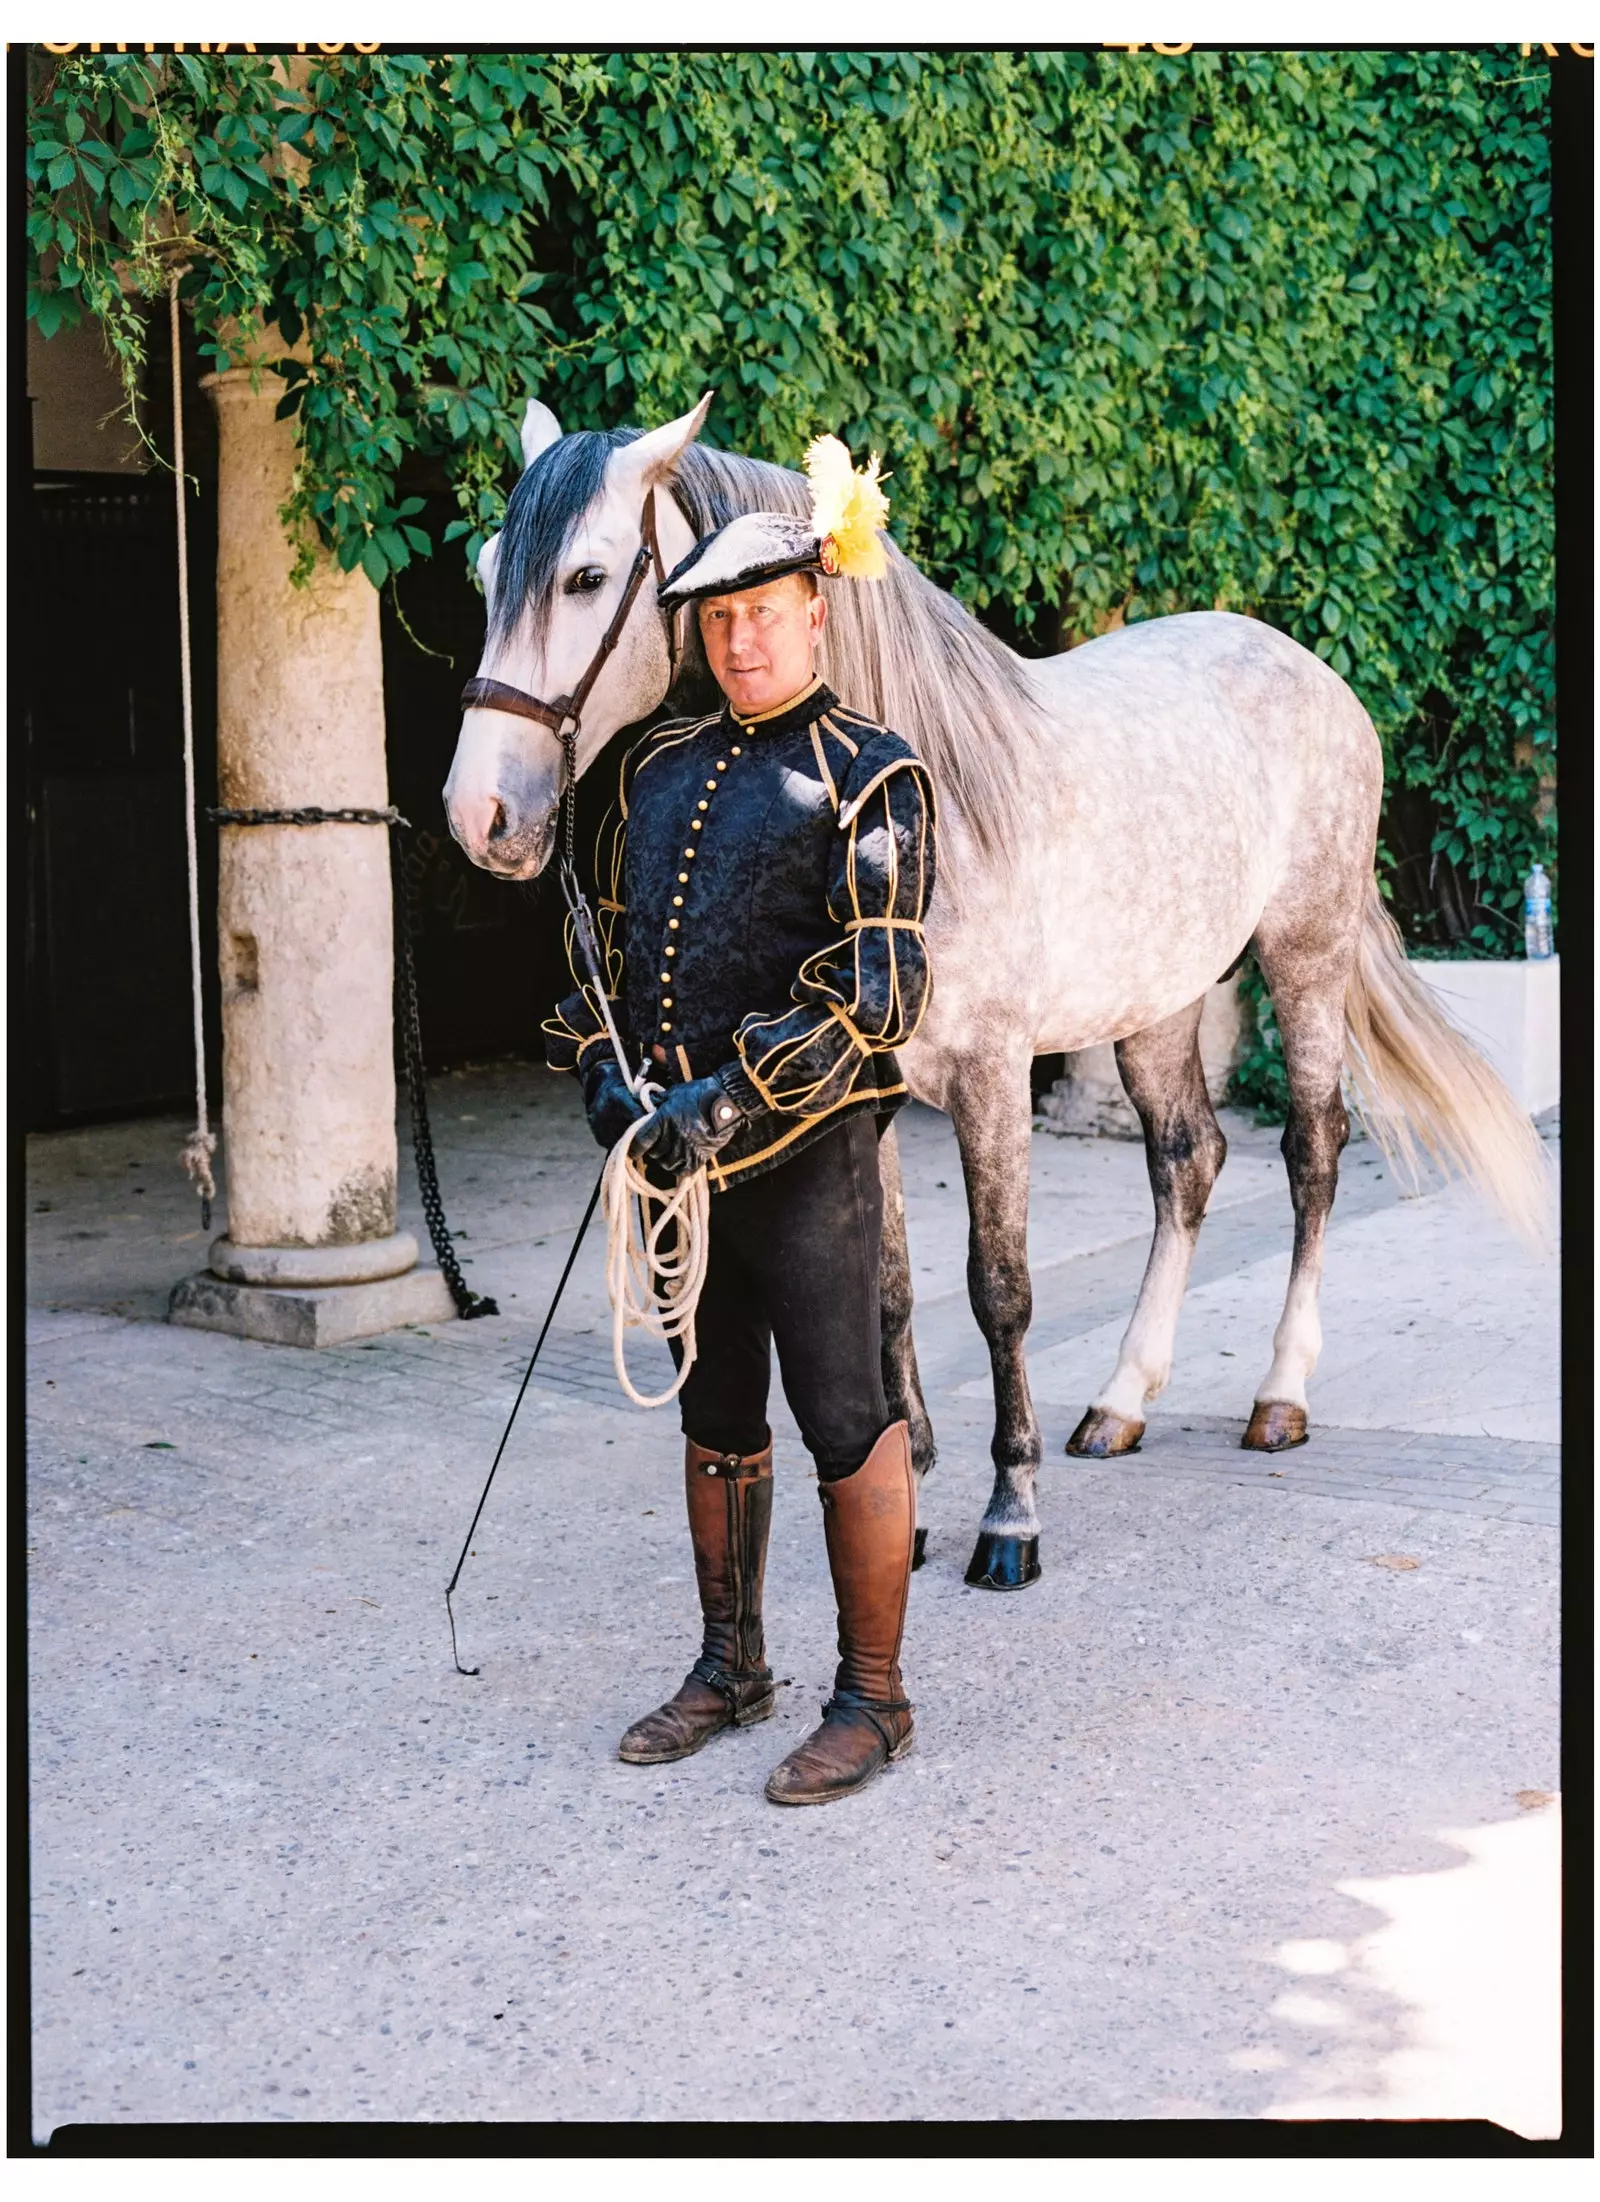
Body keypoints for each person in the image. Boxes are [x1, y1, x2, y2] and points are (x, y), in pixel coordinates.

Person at [543, 438, 937, 1807]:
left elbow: (879, 990)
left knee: (845, 1413)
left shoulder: (872, 773)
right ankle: (731, 1665)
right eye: (719, 618)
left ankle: (874, 1696)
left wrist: (729, 1097)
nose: (741, 636)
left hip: (810, 1160)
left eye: (764, 612)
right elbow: (597, 953)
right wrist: (607, 1076)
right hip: (674, 1173)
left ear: (814, 614)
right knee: (714, 1412)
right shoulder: (649, 772)